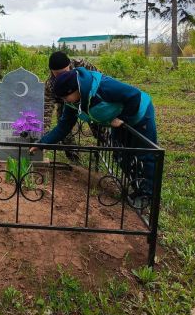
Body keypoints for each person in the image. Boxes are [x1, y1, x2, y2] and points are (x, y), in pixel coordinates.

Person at [30, 67, 157, 209]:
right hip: (118, 123)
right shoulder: (73, 102)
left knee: (145, 155)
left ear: (75, 89)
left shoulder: (103, 87)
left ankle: (147, 195)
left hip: (140, 114)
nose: (65, 101)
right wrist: (41, 143)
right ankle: (138, 187)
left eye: (65, 97)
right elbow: (63, 127)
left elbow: (134, 96)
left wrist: (123, 118)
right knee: (121, 154)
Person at [43, 51, 103, 162]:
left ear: (70, 65)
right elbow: (46, 109)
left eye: (64, 72)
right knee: (64, 130)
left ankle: (105, 146)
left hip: (90, 100)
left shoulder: (83, 65)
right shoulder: (50, 84)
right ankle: (74, 157)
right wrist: (43, 134)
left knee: (98, 125)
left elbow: (101, 81)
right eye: (57, 74)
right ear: (51, 71)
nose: (62, 76)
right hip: (66, 104)